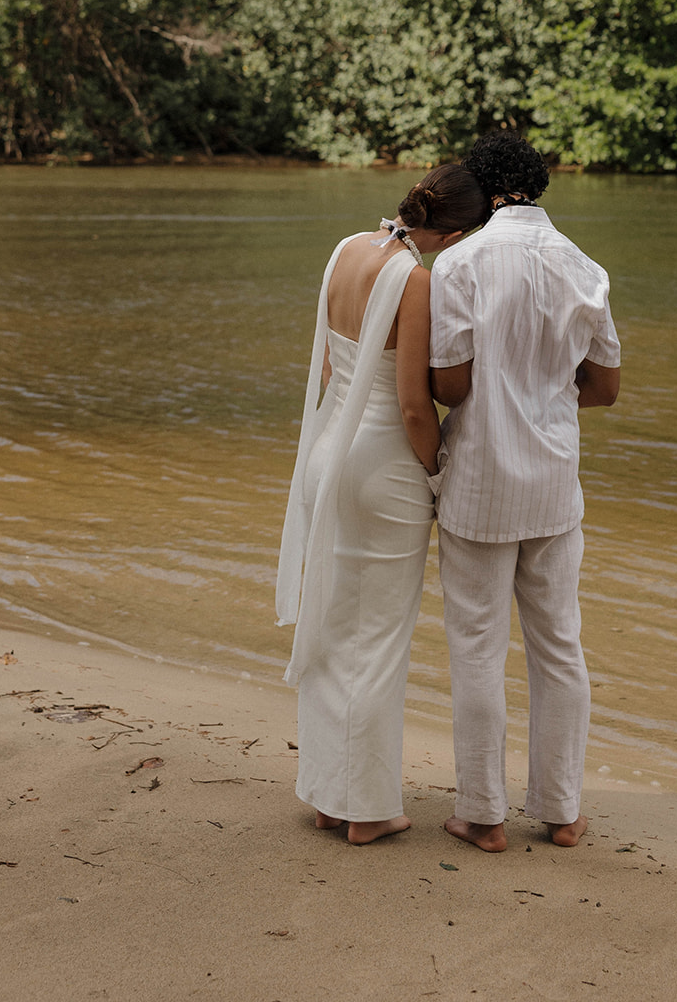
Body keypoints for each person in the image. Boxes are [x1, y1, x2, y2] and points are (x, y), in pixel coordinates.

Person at [275, 165, 488, 845]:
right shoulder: (415, 279)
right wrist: (434, 475)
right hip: (381, 466)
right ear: (452, 232)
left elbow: (336, 368)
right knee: (379, 639)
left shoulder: (346, 249)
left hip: (326, 455)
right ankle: (366, 808)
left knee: (337, 623)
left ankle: (327, 794)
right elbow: (410, 404)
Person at [429, 130, 621, 853]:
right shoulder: (584, 267)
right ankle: (562, 811)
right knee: (559, 647)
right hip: (552, 483)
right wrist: (546, 382)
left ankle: (481, 813)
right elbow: (603, 388)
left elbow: (451, 383)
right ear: (536, 186)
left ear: (479, 191)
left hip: (479, 478)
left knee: (477, 648)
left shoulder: (460, 262)